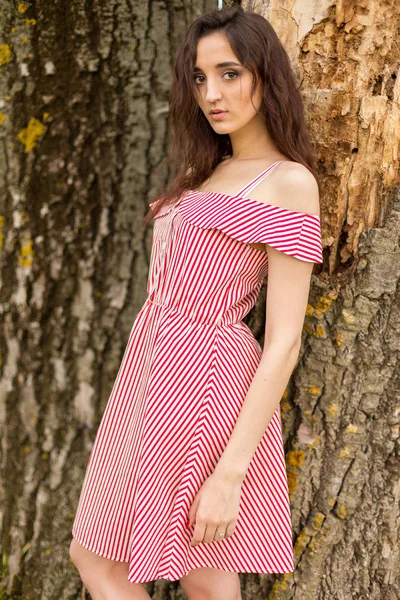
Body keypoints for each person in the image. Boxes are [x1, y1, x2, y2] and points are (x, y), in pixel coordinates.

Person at [69, 5, 323, 599]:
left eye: (229, 73)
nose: (212, 92)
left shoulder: (288, 181)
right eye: (200, 77)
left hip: (205, 386)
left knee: (206, 578)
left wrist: (231, 473)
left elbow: (283, 341)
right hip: (145, 377)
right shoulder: (203, 170)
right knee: (96, 557)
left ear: (267, 74)